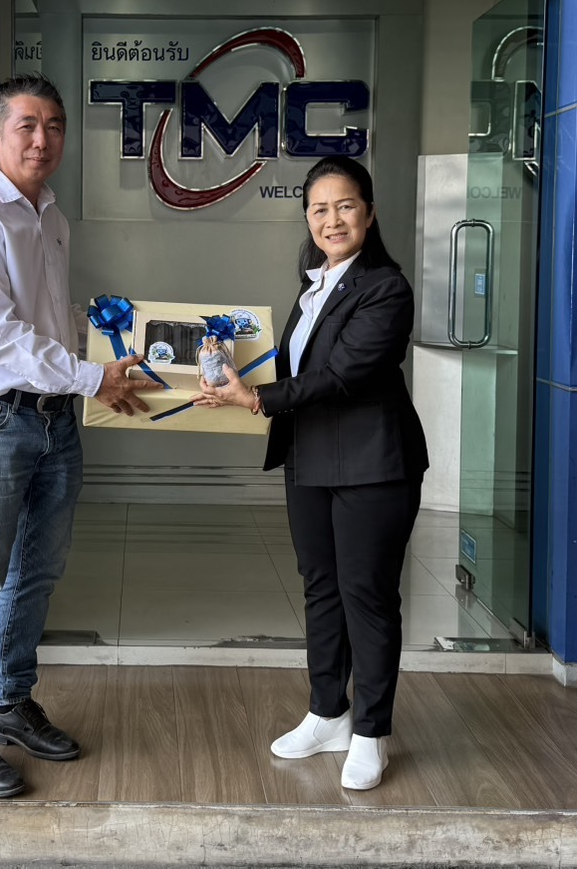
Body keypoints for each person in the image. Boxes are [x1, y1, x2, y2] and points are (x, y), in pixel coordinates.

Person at [0, 73, 158, 798]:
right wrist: (93, 378)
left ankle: (9, 700)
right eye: (26, 126)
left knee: (37, 572)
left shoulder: (50, 215)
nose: (42, 139)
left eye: (54, 126)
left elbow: (50, 322)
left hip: (55, 419)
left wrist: (107, 358)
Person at [193, 155, 428, 791]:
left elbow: (344, 375)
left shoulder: (386, 287)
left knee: (367, 598)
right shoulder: (314, 284)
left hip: (373, 466)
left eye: (345, 206)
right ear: (307, 218)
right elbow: (297, 367)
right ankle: (329, 712)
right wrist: (226, 375)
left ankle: (372, 732)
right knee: (321, 589)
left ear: (369, 214)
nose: (332, 220)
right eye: (319, 209)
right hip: (310, 457)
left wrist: (256, 400)